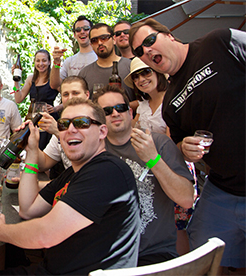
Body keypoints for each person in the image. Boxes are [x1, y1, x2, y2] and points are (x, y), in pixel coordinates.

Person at [130, 19, 245, 273]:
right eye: (139, 52)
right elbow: (180, 143)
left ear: (168, 35)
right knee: (204, 259)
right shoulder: (170, 102)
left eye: (149, 41)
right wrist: (185, 148)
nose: (146, 52)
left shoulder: (219, 41)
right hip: (223, 187)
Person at [0, 97, 140, 275]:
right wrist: (32, 150)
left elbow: (45, 234)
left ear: (102, 132)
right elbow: (28, 209)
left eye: (81, 123)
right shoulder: (74, 173)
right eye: (64, 124)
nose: (71, 129)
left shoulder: (108, 171)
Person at [93, 85, 194, 265]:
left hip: (155, 253)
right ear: (99, 120)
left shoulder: (159, 143)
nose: (115, 113)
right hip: (108, 253)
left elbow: (186, 198)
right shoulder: (94, 152)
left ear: (131, 113)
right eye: (107, 111)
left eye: (121, 108)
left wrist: (153, 160)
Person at [78, 23, 137, 110]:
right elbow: (80, 105)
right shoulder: (84, 73)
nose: (100, 43)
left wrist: (120, 108)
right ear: (91, 44)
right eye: (94, 40)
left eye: (104, 38)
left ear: (113, 39)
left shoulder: (131, 66)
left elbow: (144, 101)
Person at [36, 76, 90, 171]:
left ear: (87, 95)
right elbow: (43, 163)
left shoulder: (94, 123)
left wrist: (58, 132)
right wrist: (32, 144)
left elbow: (87, 170)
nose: (70, 98)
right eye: (65, 94)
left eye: (75, 93)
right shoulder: (63, 124)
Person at [13, 49, 59, 149]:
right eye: (38, 61)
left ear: (49, 62)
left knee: (46, 151)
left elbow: (68, 97)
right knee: (31, 148)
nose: (40, 64)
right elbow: (18, 98)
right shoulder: (31, 78)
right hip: (33, 119)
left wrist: (57, 108)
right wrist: (16, 82)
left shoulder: (53, 79)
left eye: (44, 60)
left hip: (48, 120)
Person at [49, 15, 97, 90]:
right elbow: (54, 85)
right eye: (78, 30)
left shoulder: (100, 57)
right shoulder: (69, 61)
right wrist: (56, 62)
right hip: (74, 101)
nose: (82, 32)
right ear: (74, 35)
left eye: (86, 29)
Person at [124, 57, 169, 135]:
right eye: (135, 77)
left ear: (158, 72)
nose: (141, 79)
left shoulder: (170, 102)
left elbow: (171, 143)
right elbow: (134, 128)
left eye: (146, 72)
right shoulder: (143, 104)